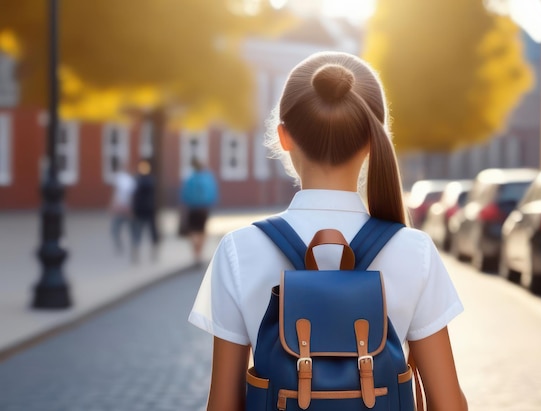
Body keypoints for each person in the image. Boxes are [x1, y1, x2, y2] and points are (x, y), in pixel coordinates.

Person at [188, 51, 468, 411]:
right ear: (372, 140)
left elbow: (223, 405)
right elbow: (448, 404)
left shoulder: (238, 251)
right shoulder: (415, 251)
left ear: (284, 137)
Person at [180, 158, 219, 265]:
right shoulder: (208, 178)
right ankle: (199, 253)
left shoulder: (190, 178)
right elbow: (213, 192)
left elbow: (184, 193)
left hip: (192, 208)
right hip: (204, 208)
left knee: (193, 230)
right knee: (202, 231)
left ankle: (195, 253)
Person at [131, 159, 159, 262]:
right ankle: (137, 254)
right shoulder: (148, 180)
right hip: (144, 209)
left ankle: (151, 254)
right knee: (140, 232)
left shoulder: (141, 180)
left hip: (146, 209)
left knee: (148, 232)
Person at [109, 160, 136, 254]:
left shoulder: (125, 179)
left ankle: (124, 246)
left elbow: (116, 193)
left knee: (116, 229)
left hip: (122, 207)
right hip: (124, 207)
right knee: (123, 229)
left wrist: (113, 205)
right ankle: (131, 246)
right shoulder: (129, 180)